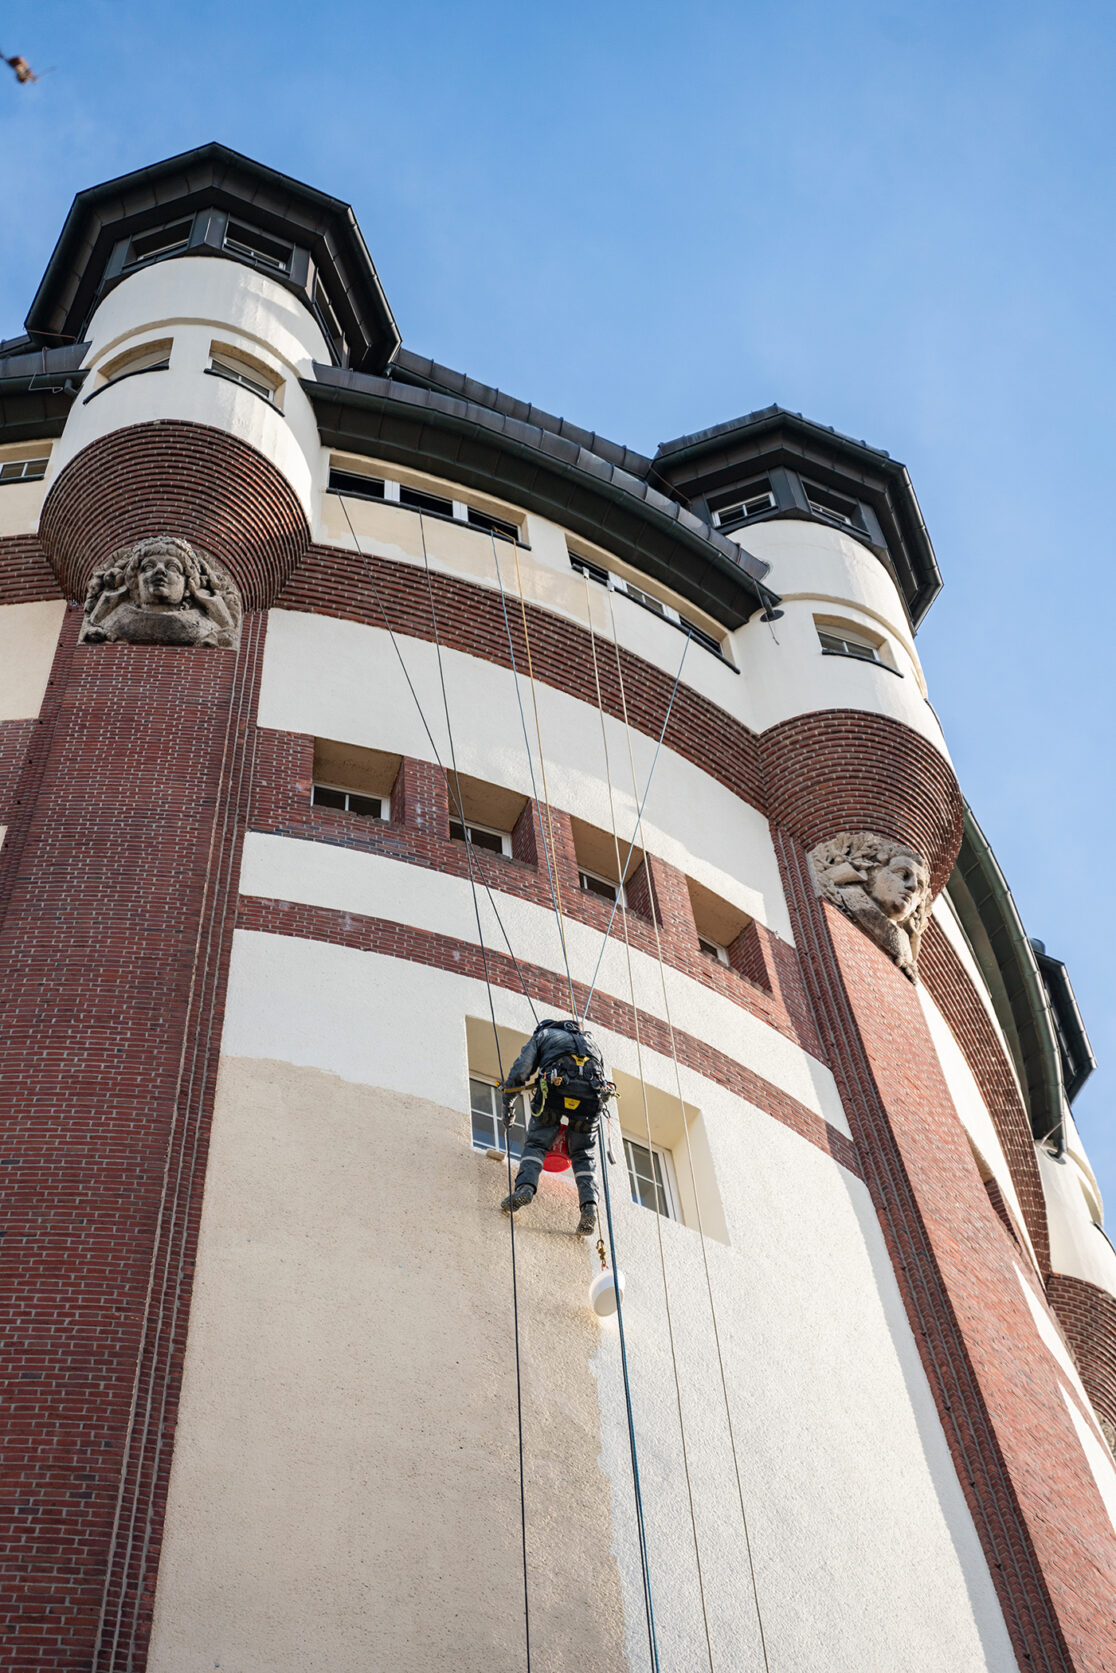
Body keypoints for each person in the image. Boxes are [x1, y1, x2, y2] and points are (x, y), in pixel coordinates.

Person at [500, 1018, 609, 1235]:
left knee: (537, 1143)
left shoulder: (544, 1035)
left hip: (554, 1093)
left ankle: (525, 1189)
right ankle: (590, 1206)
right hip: (590, 1100)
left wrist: (508, 1104)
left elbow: (520, 1071)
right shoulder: (592, 1042)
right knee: (584, 1153)